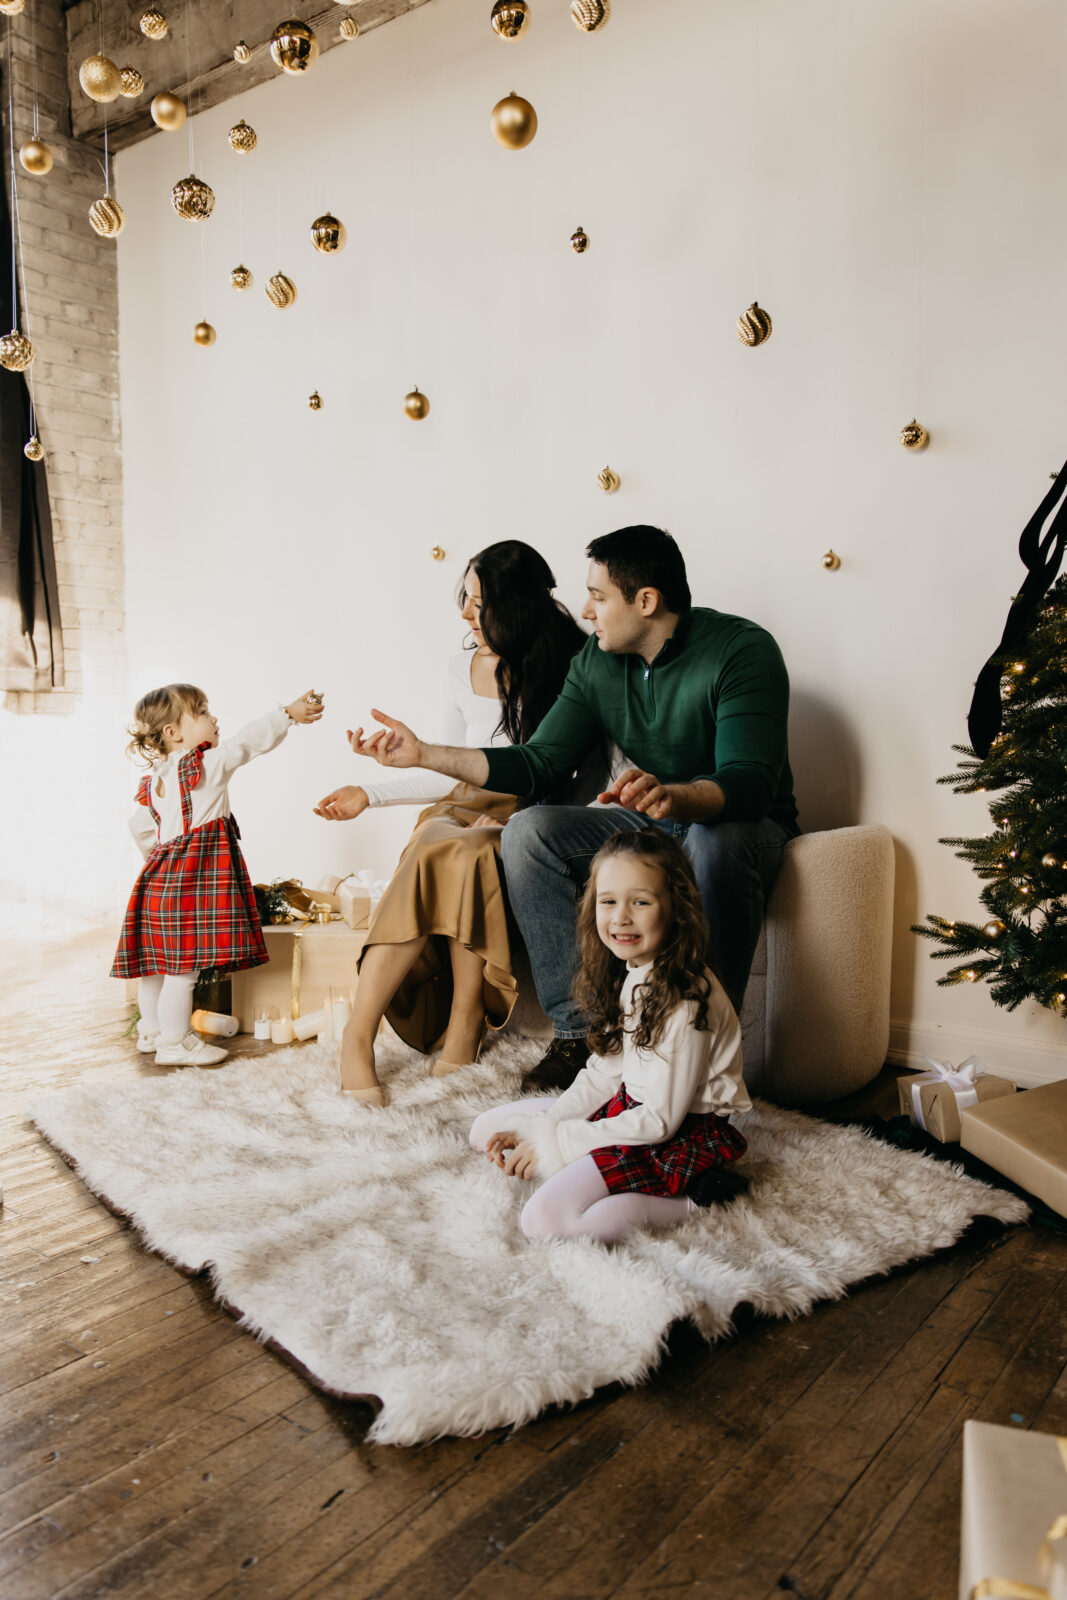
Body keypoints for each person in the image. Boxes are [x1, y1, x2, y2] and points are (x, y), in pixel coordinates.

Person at [344, 525, 798, 1092]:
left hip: (739, 822)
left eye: (599, 597)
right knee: (530, 830)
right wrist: (426, 755)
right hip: (654, 815)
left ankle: (700, 1042)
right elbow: (539, 763)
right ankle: (579, 1033)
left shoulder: (742, 650)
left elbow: (750, 783)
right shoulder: (598, 662)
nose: (585, 609)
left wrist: (676, 795)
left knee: (713, 839)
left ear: (646, 602)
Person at [314, 540, 596, 1106]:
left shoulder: (578, 664)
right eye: (464, 599)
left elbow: (578, 773)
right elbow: (444, 769)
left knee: (470, 851)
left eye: (478, 602)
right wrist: (368, 792)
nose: (466, 614)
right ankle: (358, 1035)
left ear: (515, 607)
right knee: (439, 841)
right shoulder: (458, 667)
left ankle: (467, 1015)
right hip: (461, 803)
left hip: (530, 813)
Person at [468, 831, 749, 1243]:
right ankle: (574, 1153)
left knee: (545, 1222)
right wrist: (549, 1125)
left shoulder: (685, 1001)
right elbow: (604, 1074)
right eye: (608, 901)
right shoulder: (634, 970)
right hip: (633, 1107)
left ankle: (700, 1197)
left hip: (679, 1131)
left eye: (641, 902)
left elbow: (658, 1122)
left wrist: (562, 1144)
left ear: (676, 910)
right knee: (484, 1131)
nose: (620, 917)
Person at [112, 683, 323, 1067]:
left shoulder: (155, 782)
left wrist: (157, 859)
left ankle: (152, 1031)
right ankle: (176, 1041)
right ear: (174, 733)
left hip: (159, 878)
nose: (214, 718)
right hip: (193, 879)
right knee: (183, 967)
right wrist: (287, 715)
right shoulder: (205, 765)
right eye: (203, 712)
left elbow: (140, 827)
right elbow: (247, 743)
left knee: (156, 964)